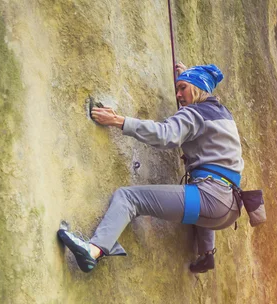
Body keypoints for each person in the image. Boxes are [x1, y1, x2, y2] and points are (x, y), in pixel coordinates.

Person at [57, 63, 244, 274]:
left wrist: (119, 121)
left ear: (197, 88)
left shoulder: (194, 113)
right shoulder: (222, 114)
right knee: (201, 193)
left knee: (128, 198)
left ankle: (93, 250)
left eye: (182, 88)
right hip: (229, 209)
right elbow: (200, 88)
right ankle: (207, 254)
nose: (178, 94)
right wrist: (186, 75)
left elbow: (165, 134)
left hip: (211, 199)